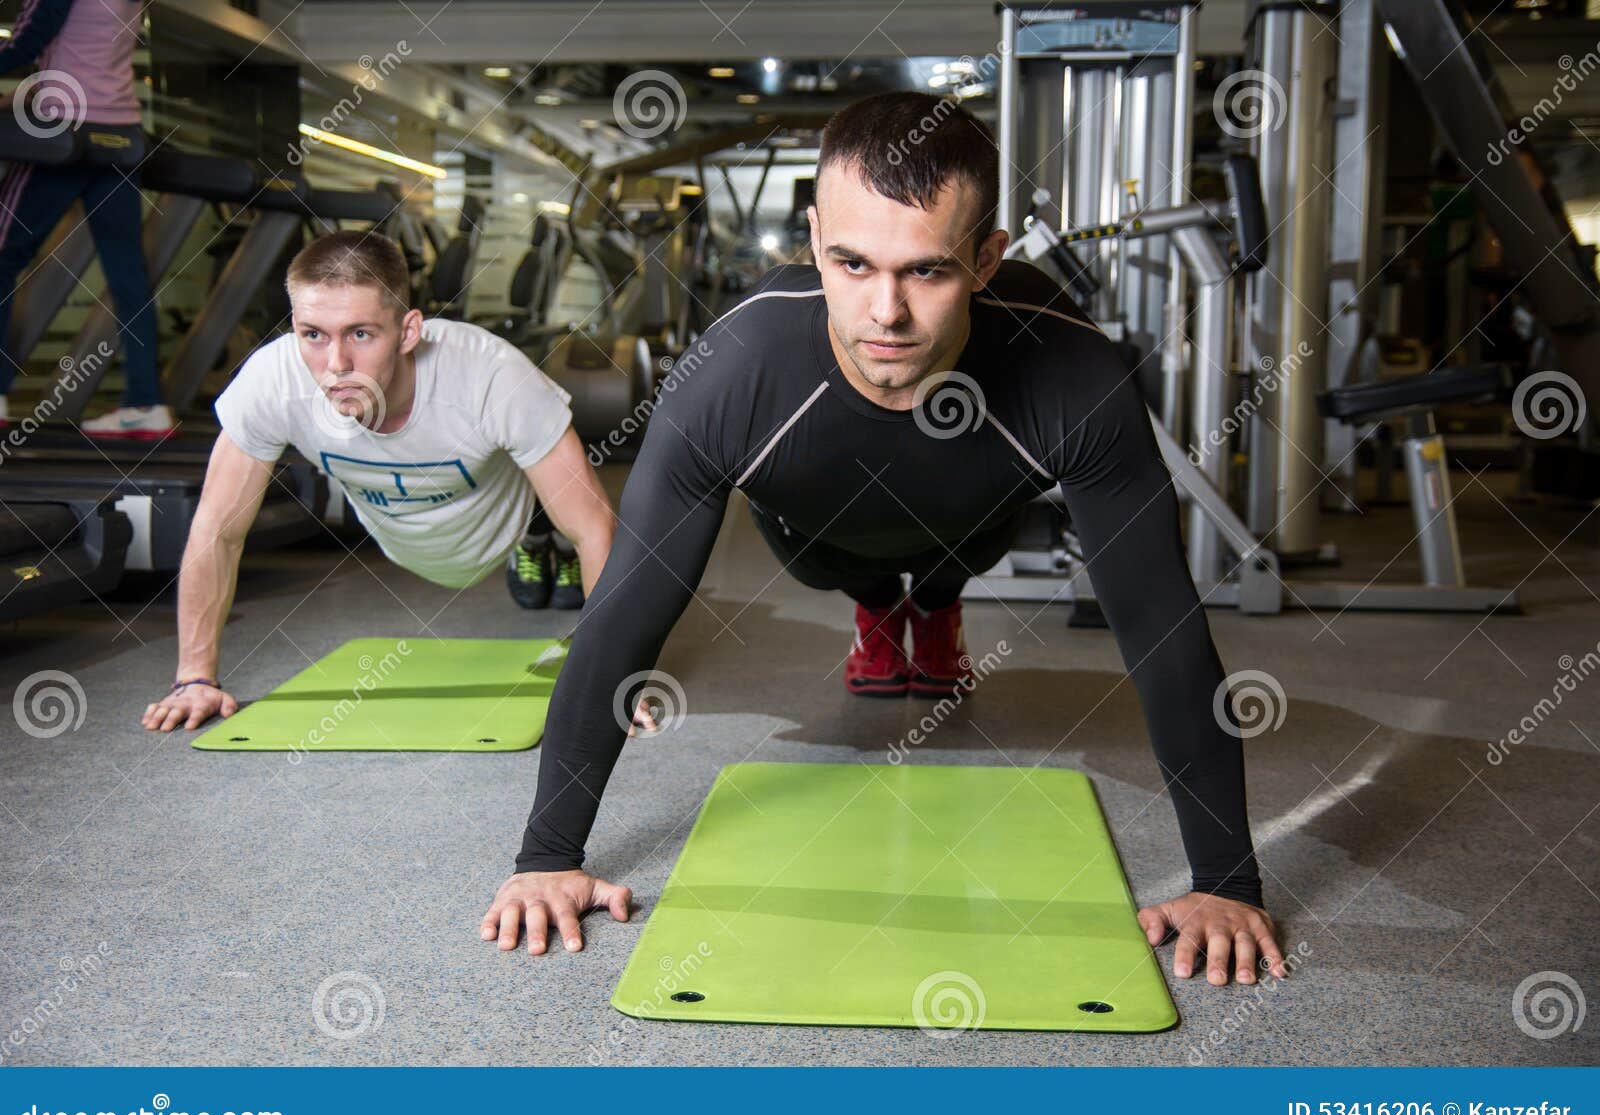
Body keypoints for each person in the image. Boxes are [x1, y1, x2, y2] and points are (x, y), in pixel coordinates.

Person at [481, 93, 1289, 989]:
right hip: (817, 533)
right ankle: (880, 609)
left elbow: (1162, 626)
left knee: (951, 564)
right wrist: (547, 852)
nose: (886, 312)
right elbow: (624, 616)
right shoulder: (734, 371)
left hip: (968, 528)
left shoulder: (1075, 371)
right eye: (851, 262)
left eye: (928, 272)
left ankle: (934, 612)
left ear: (987, 258)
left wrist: (1226, 882)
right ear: (814, 235)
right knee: (844, 564)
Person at [141, 230, 614, 732]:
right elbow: (218, 529)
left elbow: (595, 528)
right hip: (404, 540)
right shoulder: (273, 381)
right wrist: (194, 678)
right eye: (313, 335)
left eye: (360, 334)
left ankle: (536, 536)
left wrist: (613, 679)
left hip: (498, 523)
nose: (336, 365)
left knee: (563, 511)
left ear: (409, 332)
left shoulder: (493, 376)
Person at [0, 0, 171, 437]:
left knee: (2, 255)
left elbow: (24, 43)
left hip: (64, 131)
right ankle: (146, 402)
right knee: (127, 272)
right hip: (119, 132)